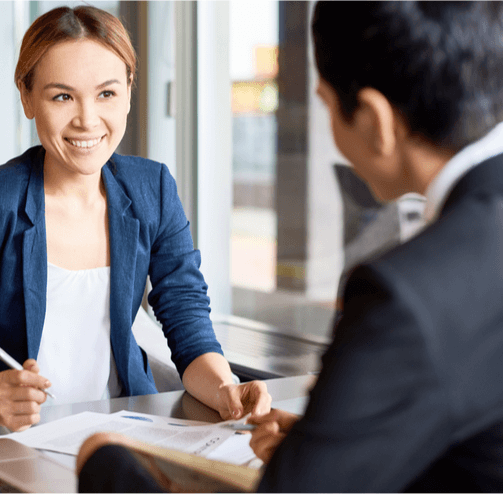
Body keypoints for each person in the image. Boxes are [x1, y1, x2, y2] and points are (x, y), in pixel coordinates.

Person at [75, 1, 503, 491]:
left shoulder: (404, 295)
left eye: (323, 104)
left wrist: (105, 463)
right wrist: (332, 444)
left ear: (374, 119)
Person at [0, 5, 271, 433]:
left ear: (129, 92)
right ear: (27, 97)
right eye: (62, 96)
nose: (86, 119)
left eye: (106, 94)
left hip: (114, 426)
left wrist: (225, 387)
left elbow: (188, 323)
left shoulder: (152, 187)